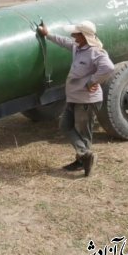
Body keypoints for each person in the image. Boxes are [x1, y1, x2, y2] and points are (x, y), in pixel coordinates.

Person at [37, 21, 114, 176]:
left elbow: (109, 68)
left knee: (83, 133)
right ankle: (85, 155)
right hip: (74, 97)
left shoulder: (95, 52)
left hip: (87, 100)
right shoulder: (77, 47)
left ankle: (83, 162)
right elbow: (63, 41)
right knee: (65, 126)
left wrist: (92, 81)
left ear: (84, 36)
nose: (72, 35)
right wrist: (48, 34)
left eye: (76, 33)